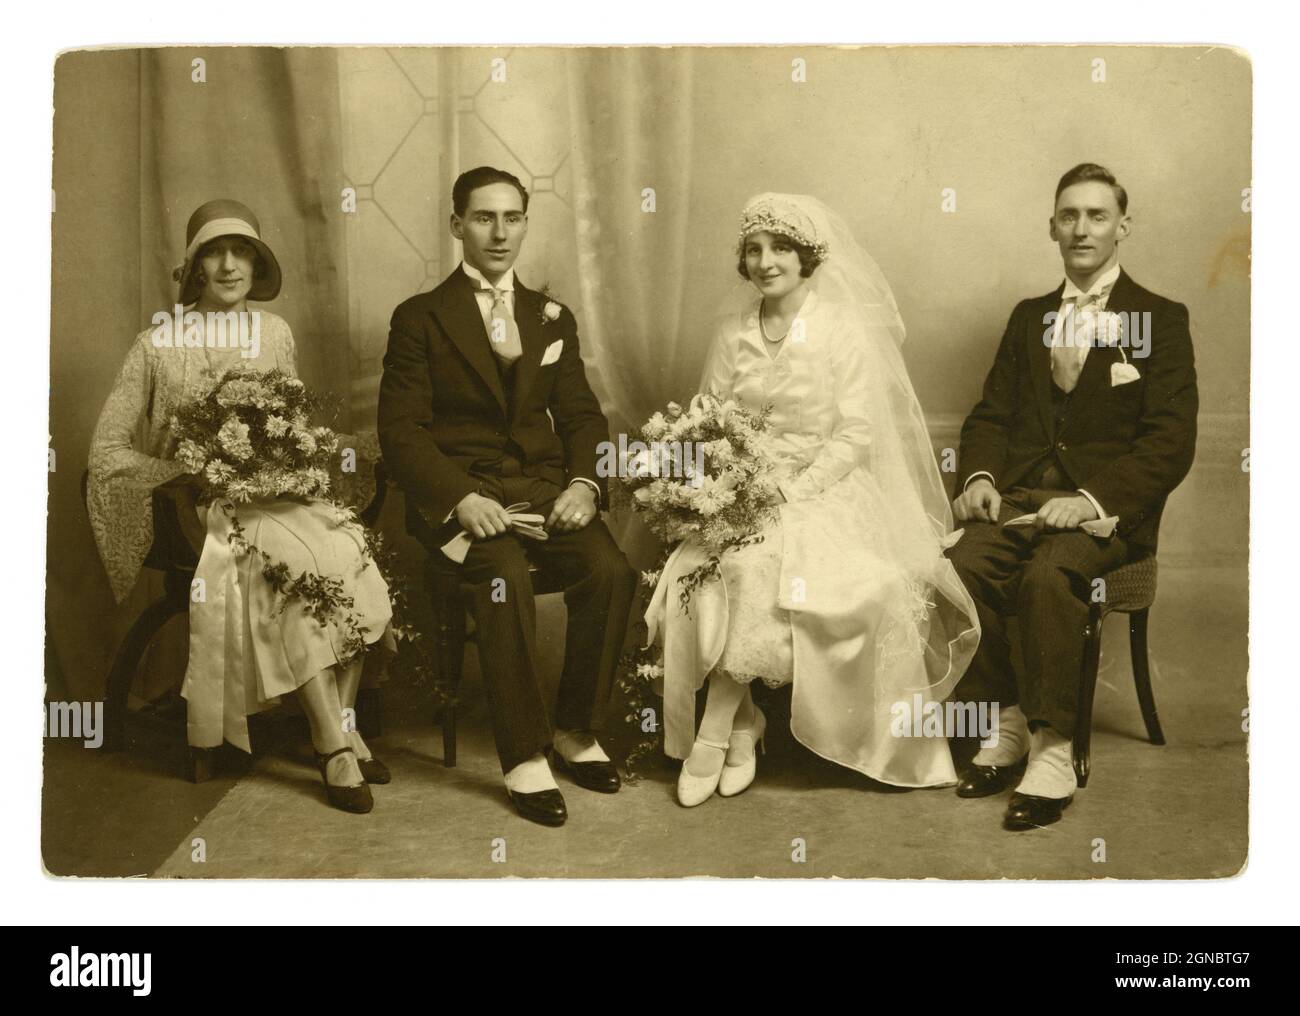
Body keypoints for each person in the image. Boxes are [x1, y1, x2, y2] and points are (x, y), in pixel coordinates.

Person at [645, 193, 980, 807]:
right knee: (715, 568)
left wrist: (789, 489)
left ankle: (718, 730)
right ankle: (742, 726)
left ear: (807, 258)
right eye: (754, 250)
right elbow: (710, 418)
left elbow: (855, 434)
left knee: (764, 568)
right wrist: (721, 482)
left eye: (781, 249)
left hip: (825, 486)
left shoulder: (840, 329)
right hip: (740, 486)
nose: (766, 261)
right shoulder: (732, 332)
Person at [88, 199, 394, 814]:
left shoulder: (275, 333)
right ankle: (330, 745)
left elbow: (292, 423)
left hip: (279, 492)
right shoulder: (157, 344)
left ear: (256, 263)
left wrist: (313, 449)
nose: (229, 265)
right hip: (202, 508)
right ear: (195, 266)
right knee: (291, 563)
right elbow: (106, 451)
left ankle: (343, 718)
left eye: (241, 252)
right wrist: (190, 470)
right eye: (213, 252)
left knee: (348, 546)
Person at [378, 167, 636, 828]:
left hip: (539, 494)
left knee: (610, 570)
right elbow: (400, 433)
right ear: (457, 224)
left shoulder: (550, 318)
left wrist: (583, 483)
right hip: (461, 503)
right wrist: (460, 497)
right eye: (484, 217)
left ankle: (577, 731)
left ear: (525, 222)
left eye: (512, 218)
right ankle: (524, 756)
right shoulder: (420, 319)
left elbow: (581, 417)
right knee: (505, 576)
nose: (499, 232)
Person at [947, 163, 1198, 830]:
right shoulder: (1029, 318)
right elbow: (991, 417)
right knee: (959, 565)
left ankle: (1053, 751)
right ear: (1051, 227)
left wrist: (1089, 500)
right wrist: (978, 480)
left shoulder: (1160, 319)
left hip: (1106, 518)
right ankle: (1007, 722)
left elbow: (1170, 442)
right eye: (1068, 215)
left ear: (1123, 226)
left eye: (1096, 215)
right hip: (1022, 499)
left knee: (1048, 573)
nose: (1081, 227)